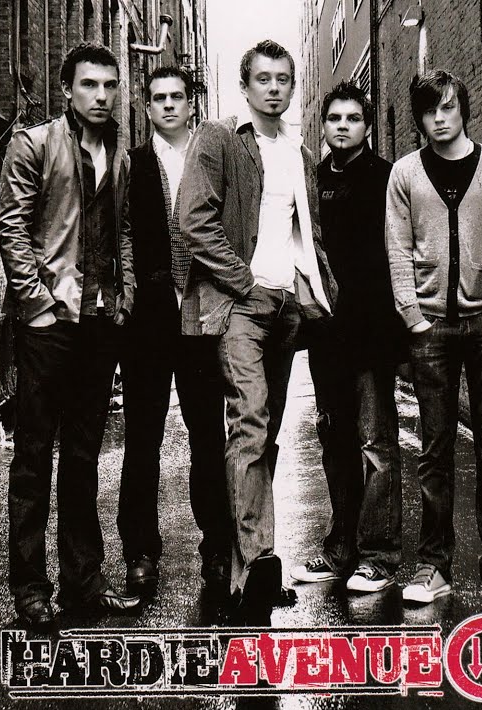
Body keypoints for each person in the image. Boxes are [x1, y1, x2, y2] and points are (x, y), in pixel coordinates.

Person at [178, 39, 337, 611]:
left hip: (286, 307)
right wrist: (244, 282)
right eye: (263, 79)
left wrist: (310, 287)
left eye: (283, 79)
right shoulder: (220, 138)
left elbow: (304, 232)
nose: (273, 88)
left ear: (293, 87)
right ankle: (259, 559)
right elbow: (193, 221)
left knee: (265, 433)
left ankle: (245, 566)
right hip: (241, 304)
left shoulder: (299, 151)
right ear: (244, 87)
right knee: (249, 420)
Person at [0, 42, 141, 629]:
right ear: (67, 91)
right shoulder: (34, 144)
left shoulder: (121, 156)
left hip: (100, 323)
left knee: (83, 459)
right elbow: (12, 227)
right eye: (89, 84)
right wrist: (36, 305)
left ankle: (84, 584)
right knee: (34, 457)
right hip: (50, 322)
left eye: (109, 85)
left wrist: (125, 296)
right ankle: (31, 590)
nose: (101, 95)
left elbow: (122, 232)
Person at [386, 69, 482, 609]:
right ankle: (434, 567)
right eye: (429, 111)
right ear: (419, 119)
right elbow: (398, 249)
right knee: (435, 451)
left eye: (447, 107)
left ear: (463, 109)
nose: (439, 118)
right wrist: (412, 317)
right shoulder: (405, 173)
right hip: (430, 328)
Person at [116, 66, 230, 596]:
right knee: (143, 436)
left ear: (190, 104)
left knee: (208, 434)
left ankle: (217, 547)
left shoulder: (210, 159)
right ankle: (140, 550)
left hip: (203, 315)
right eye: (158, 97)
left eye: (176, 97)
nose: (167, 105)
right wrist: (132, 291)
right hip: (149, 318)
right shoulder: (133, 163)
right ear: (146, 107)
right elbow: (123, 232)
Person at [289, 82, 406, 594]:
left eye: (353, 118)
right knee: (335, 444)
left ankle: (379, 555)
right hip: (327, 337)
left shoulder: (386, 178)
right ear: (324, 125)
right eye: (334, 118)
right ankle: (341, 550)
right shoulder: (312, 182)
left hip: (372, 335)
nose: (342, 126)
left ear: (367, 126)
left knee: (376, 444)